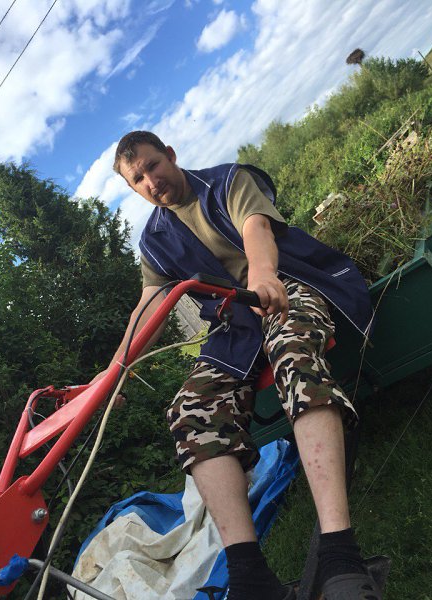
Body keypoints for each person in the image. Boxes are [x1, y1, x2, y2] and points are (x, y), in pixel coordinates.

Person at [99, 130, 382, 600]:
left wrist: (264, 275)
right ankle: (250, 576)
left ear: (171, 155)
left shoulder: (228, 181)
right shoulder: (154, 241)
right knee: (190, 411)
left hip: (287, 285)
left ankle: (339, 552)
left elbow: (256, 229)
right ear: (132, 189)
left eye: (153, 166)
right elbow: (149, 305)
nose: (150, 181)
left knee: (292, 353)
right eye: (138, 179)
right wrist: (115, 370)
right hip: (236, 328)